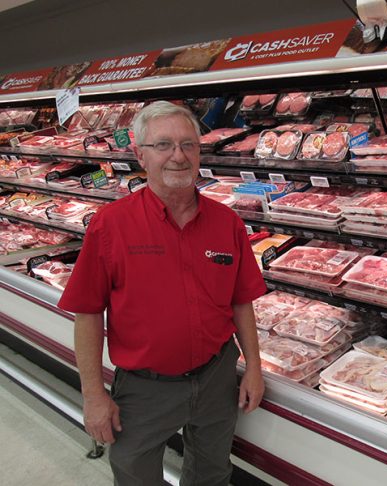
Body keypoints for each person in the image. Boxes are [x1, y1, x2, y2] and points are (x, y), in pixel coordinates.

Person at [58, 100, 267, 486]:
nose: (178, 156)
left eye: (188, 145)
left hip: (217, 376)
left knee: (212, 473)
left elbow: (241, 300)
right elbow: (87, 313)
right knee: (135, 474)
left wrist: (253, 366)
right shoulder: (110, 226)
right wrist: (93, 395)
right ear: (140, 154)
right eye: (164, 145)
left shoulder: (227, 222)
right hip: (143, 387)